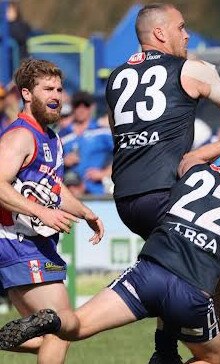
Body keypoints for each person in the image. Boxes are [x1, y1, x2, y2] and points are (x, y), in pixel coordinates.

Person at [0, 135, 220, 364]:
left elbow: (190, 156)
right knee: (215, 358)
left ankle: (52, 319)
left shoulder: (194, 171)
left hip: (147, 273)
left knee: (76, 327)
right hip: (191, 292)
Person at [105, 4, 220, 363]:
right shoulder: (189, 68)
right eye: (181, 27)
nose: (187, 35)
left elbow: (120, 137)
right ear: (159, 34)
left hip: (125, 198)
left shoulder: (116, 77)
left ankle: (166, 347)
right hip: (164, 192)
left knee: (188, 267)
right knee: (214, 271)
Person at [0, 59, 104, 363]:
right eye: (47, 88)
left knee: (53, 332)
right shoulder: (20, 135)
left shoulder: (52, 138)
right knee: (60, 324)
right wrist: (42, 213)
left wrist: (85, 212)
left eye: (59, 88)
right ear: (27, 94)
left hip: (36, 245)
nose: (56, 94)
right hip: (16, 243)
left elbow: (54, 187)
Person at [59, 91, 114, 195]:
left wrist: (104, 173)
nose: (81, 109)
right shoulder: (62, 135)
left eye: (86, 105)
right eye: (77, 105)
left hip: (97, 193)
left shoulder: (102, 132)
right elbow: (49, 162)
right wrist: (63, 161)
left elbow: (122, 155)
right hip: (70, 193)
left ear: (92, 107)